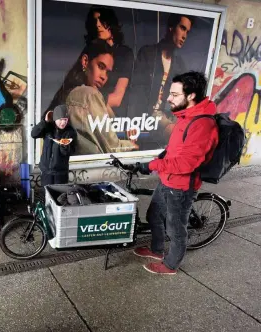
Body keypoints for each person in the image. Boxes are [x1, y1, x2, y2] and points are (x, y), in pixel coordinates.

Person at [132, 71, 219, 275]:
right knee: (154, 215)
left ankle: (171, 265)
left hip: (181, 187)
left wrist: (154, 165)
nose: (168, 98)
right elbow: (174, 150)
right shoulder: (185, 117)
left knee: (175, 228)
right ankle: (157, 250)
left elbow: (186, 164)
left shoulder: (202, 124)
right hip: (167, 180)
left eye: (174, 94)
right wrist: (157, 161)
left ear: (191, 96)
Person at [45, 6, 134, 117]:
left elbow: (117, 99)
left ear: (111, 22)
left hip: (108, 115)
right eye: (94, 21)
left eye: (101, 20)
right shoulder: (89, 50)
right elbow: (72, 81)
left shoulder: (124, 53)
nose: (97, 25)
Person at [127, 14, 194, 146]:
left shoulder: (179, 65)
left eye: (187, 31)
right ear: (171, 27)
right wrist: (131, 121)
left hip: (168, 115)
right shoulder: (148, 53)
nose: (185, 36)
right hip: (149, 115)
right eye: (182, 28)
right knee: (178, 135)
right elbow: (136, 90)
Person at [65, 40, 137, 155]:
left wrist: (125, 130)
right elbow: (112, 147)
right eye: (101, 66)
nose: (104, 77)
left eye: (108, 73)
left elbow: (112, 126)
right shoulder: (89, 95)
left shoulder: (76, 93)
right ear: (85, 61)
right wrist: (132, 146)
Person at [31, 104, 77, 186]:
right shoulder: (48, 127)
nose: (63, 123)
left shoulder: (70, 132)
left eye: (65, 120)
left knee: (59, 196)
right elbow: (34, 134)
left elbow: (72, 151)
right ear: (55, 118)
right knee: (47, 194)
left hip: (60, 173)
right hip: (46, 170)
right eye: (60, 119)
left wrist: (64, 146)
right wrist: (44, 122)